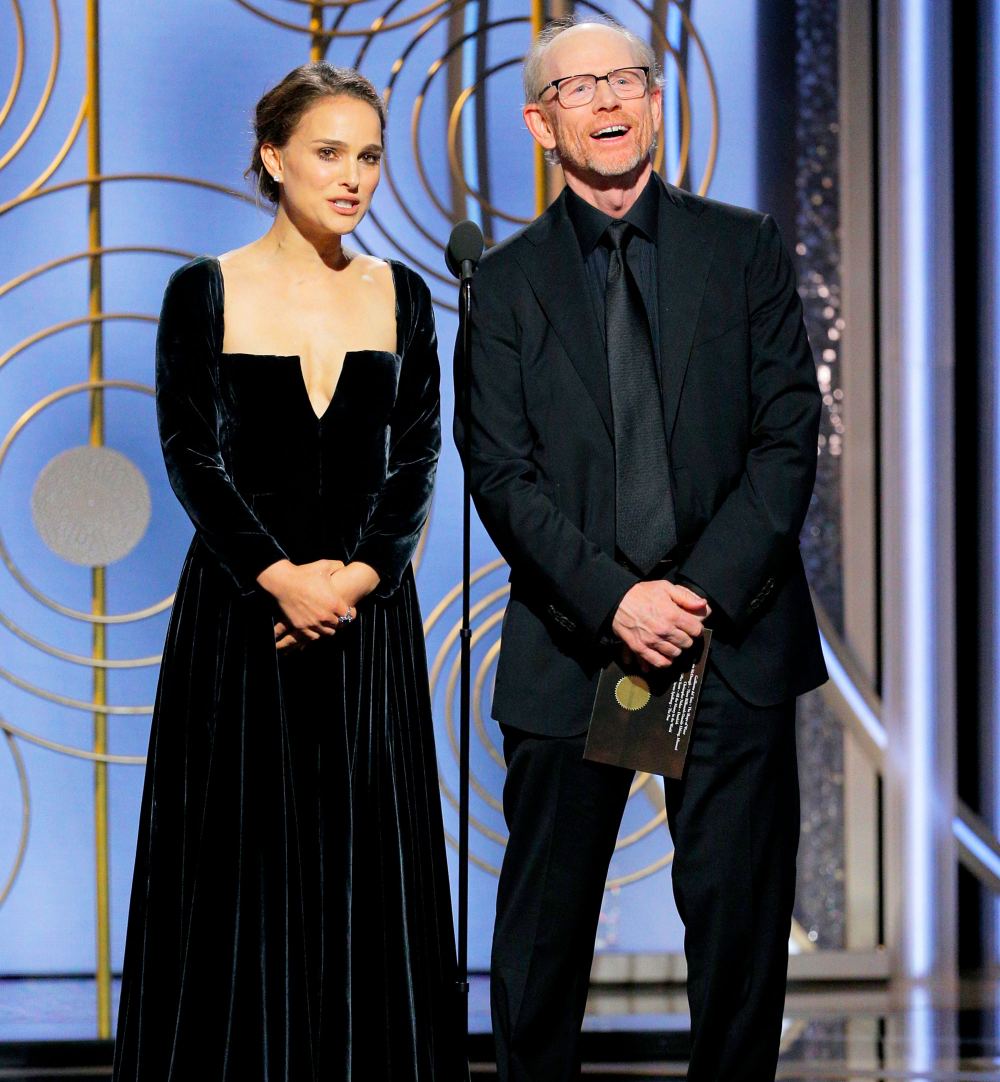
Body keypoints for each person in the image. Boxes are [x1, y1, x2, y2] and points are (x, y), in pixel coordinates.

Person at [455, 16, 828, 1082]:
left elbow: (786, 433)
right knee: (543, 925)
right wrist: (618, 601)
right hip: (579, 640)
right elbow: (500, 470)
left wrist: (693, 594)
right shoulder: (507, 283)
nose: (610, 100)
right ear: (540, 121)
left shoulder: (742, 245)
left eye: (628, 79)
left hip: (729, 633)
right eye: (579, 87)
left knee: (737, 914)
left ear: (655, 102)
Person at [114, 64, 464, 1082]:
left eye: (368, 155)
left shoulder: (400, 294)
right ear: (273, 157)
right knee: (237, 875)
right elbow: (191, 455)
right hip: (239, 625)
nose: (353, 176)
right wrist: (279, 575)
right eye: (328, 152)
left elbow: (415, 460)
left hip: (365, 628)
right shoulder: (203, 289)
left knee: (365, 872)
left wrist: (350, 580)